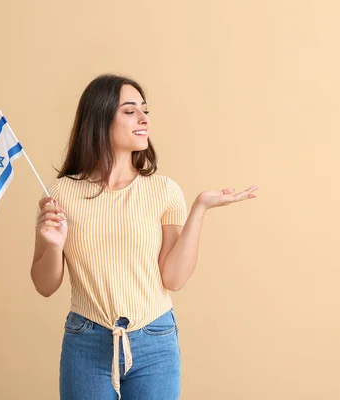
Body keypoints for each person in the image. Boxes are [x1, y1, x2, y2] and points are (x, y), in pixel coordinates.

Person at [30, 74, 258, 400]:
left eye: (145, 109)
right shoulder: (60, 194)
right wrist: (52, 246)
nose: (143, 118)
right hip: (86, 340)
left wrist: (199, 208)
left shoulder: (163, 191)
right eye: (129, 110)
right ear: (100, 118)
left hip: (155, 339)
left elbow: (174, 278)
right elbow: (44, 284)